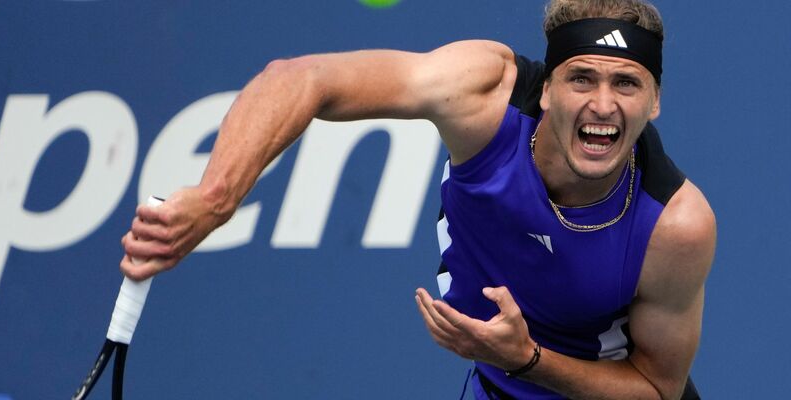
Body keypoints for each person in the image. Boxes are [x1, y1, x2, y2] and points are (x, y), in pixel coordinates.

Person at [121, 0, 716, 398]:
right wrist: (216, 197)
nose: (603, 104)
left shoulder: (675, 224)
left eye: (627, 83)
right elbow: (302, 78)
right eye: (582, 77)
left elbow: (657, 389)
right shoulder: (485, 98)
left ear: (655, 101)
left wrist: (527, 358)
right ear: (552, 86)